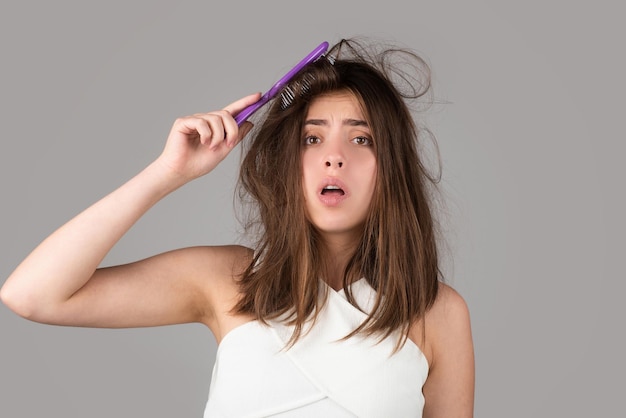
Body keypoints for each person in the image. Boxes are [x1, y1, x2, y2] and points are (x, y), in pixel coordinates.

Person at [1, 38, 474, 417]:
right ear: (288, 162)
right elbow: (32, 294)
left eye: (361, 138)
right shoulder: (227, 280)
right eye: (312, 138)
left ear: (391, 166)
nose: (335, 156)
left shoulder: (439, 313)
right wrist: (168, 174)